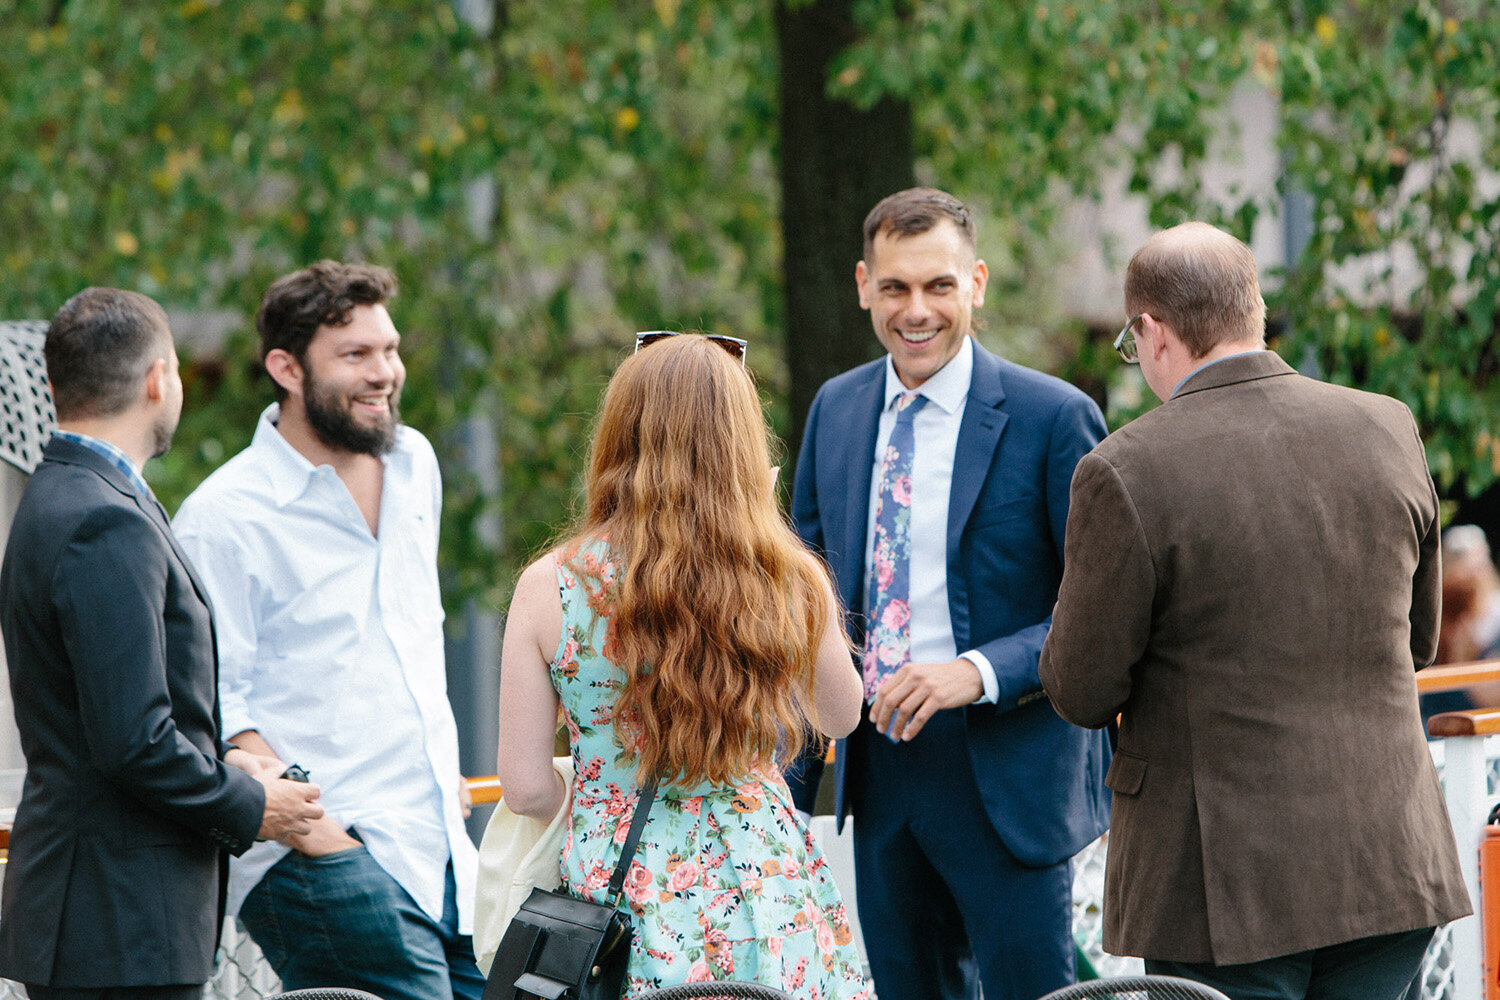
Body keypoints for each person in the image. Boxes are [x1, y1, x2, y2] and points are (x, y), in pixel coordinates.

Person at [1038, 222, 1471, 1000]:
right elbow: (1419, 638)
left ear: (1150, 331)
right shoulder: (1387, 426)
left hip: (1222, 883)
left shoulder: (1124, 469)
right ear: (1256, 308)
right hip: (1388, 853)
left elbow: (1081, 689)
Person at [786, 187, 1112, 1000]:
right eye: (895, 288)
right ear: (864, 285)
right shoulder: (836, 409)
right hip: (880, 779)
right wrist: (785, 790)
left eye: (938, 285)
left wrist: (977, 670)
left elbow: (1097, 612)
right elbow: (804, 603)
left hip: (1009, 778)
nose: (916, 310)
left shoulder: (1054, 417)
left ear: (978, 283)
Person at [497, 332, 869, 999]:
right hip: (767, 890)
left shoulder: (549, 586)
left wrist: (597, 796)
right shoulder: (788, 577)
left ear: (617, 436)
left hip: (623, 898)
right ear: (743, 446)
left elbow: (523, 788)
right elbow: (841, 716)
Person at [0, 287, 324, 1000]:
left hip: (107, 919)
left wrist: (227, 757)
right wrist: (249, 801)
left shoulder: (64, 494)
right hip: (120, 924)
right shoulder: (100, 517)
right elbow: (132, 740)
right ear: (159, 380)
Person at [173, 262, 482, 1000]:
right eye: (355, 356)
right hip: (319, 855)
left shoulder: (415, 465)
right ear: (285, 367)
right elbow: (217, 704)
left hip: (440, 847)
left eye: (390, 350)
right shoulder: (224, 518)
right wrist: (323, 836)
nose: (384, 374)